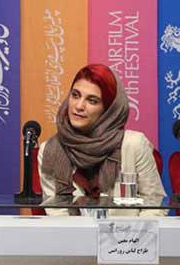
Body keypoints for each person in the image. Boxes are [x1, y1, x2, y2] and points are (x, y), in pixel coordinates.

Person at [39, 64, 166, 216]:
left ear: (108, 109)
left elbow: (154, 206)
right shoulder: (50, 150)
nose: (79, 106)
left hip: (128, 231)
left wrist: (132, 231)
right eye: (75, 95)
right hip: (73, 231)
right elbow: (58, 214)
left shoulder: (134, 145)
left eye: (92, 100)